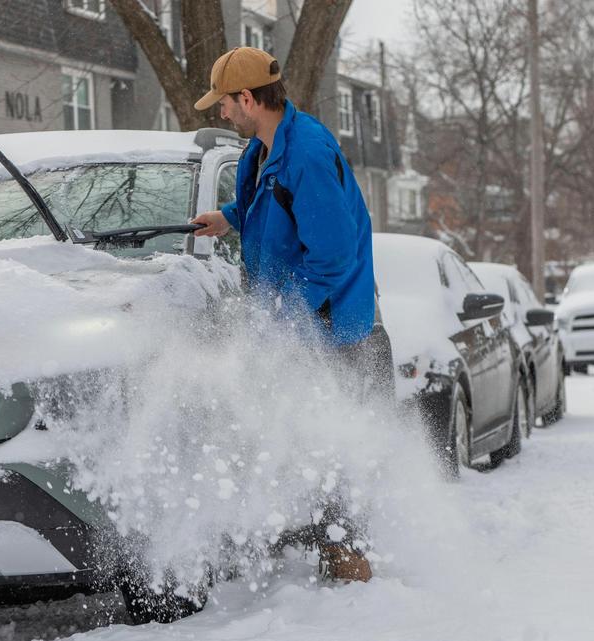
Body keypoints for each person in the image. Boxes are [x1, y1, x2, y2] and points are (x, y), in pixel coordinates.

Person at [190, 47, 390, 582]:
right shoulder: (264, 148)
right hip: (298, 323)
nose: (222, 113)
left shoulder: (306, 152)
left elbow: (333, 256)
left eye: (226, 104)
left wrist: (282, 318)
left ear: (249, 99)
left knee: (333, 448)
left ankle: (350, 567)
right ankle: (318, 547)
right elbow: (270, 206)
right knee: (299, 439)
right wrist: (227, 218)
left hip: (331, 327)